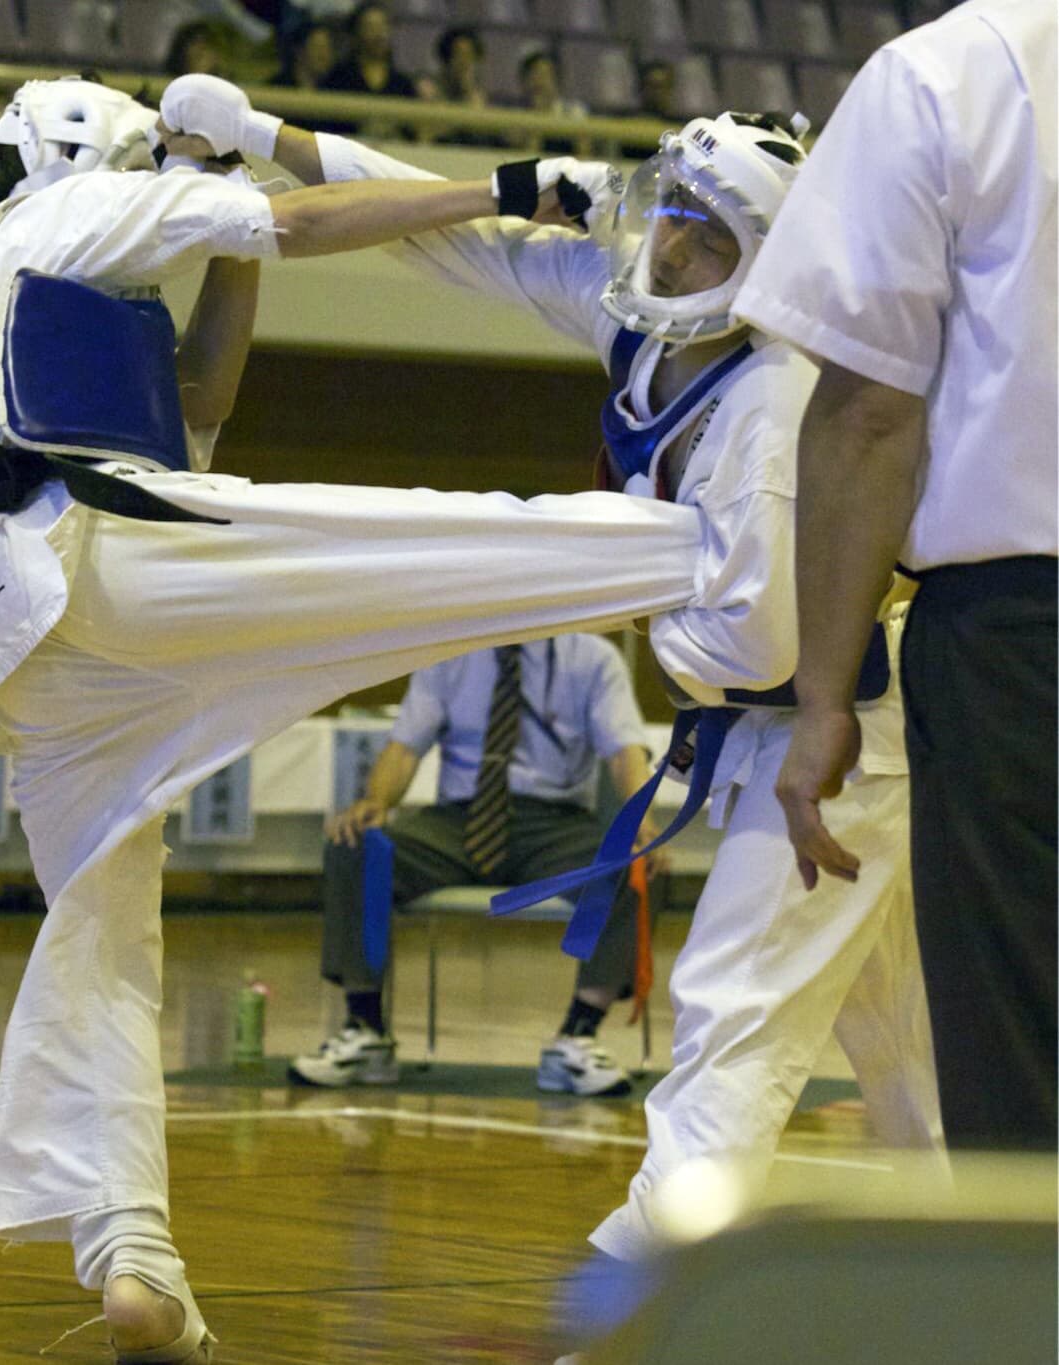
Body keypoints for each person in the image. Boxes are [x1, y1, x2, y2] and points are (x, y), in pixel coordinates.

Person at [0, 76, 709, 1363]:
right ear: (102, 152)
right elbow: (305, 229)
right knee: (399, 544)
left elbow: (202, 394)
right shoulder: (80, 209)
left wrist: (229, 207)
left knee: (102, 939)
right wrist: (510, 189)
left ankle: (132, 1256)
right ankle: (714, 554)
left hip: (3, 638)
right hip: (92, 552)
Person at [161, 74, 945, 1286]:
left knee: (737, 1010)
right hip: (765, 736)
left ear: (766, 269)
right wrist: (266, 134)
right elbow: (449, 234)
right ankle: (998, 1262)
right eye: (672, 206)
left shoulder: (777, 406)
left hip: (825, 745)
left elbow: (759, 649)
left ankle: (644, 1288)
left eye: (709, 232)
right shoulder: (642, 315)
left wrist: (593, 575)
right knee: (903, 1050)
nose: (673, 242)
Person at [735, 0, 1057, 1152]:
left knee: (1030, 1041)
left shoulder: (945, 75)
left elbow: (870, 412)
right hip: (1017, 630)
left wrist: (825, 694)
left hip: (1025, 645)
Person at [291, 634, 658, 1094]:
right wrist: (376, 800)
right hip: (458, 821)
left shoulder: (592, 658)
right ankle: (365, 1030)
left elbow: (625, 751)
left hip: (553, 822)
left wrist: (639, 819)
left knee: (625, 864)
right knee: (356, 848)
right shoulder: (449, 654)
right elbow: (404, 748)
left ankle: (577, 1038)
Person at [319, 1, 419, 138]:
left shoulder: (402, 84)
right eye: (370, 27)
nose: (379, 35)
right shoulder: (337, 78)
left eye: (383, 27)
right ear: (355, 33)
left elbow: (412, 131)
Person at [427, 25, 508, 149]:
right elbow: (434, 131)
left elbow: (480, 129)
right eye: (458, 55)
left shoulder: (480, 95)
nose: (463, 62)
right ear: (447, 59)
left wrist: (468, 90)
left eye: (469, 56)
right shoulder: (430, 89)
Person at [513, 48, 588, 156]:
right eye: (533, 75)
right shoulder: (516, 113)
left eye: (545, 75)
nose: (539, 81)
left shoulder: (573, 111)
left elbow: (584, 153)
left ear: (557, 79)